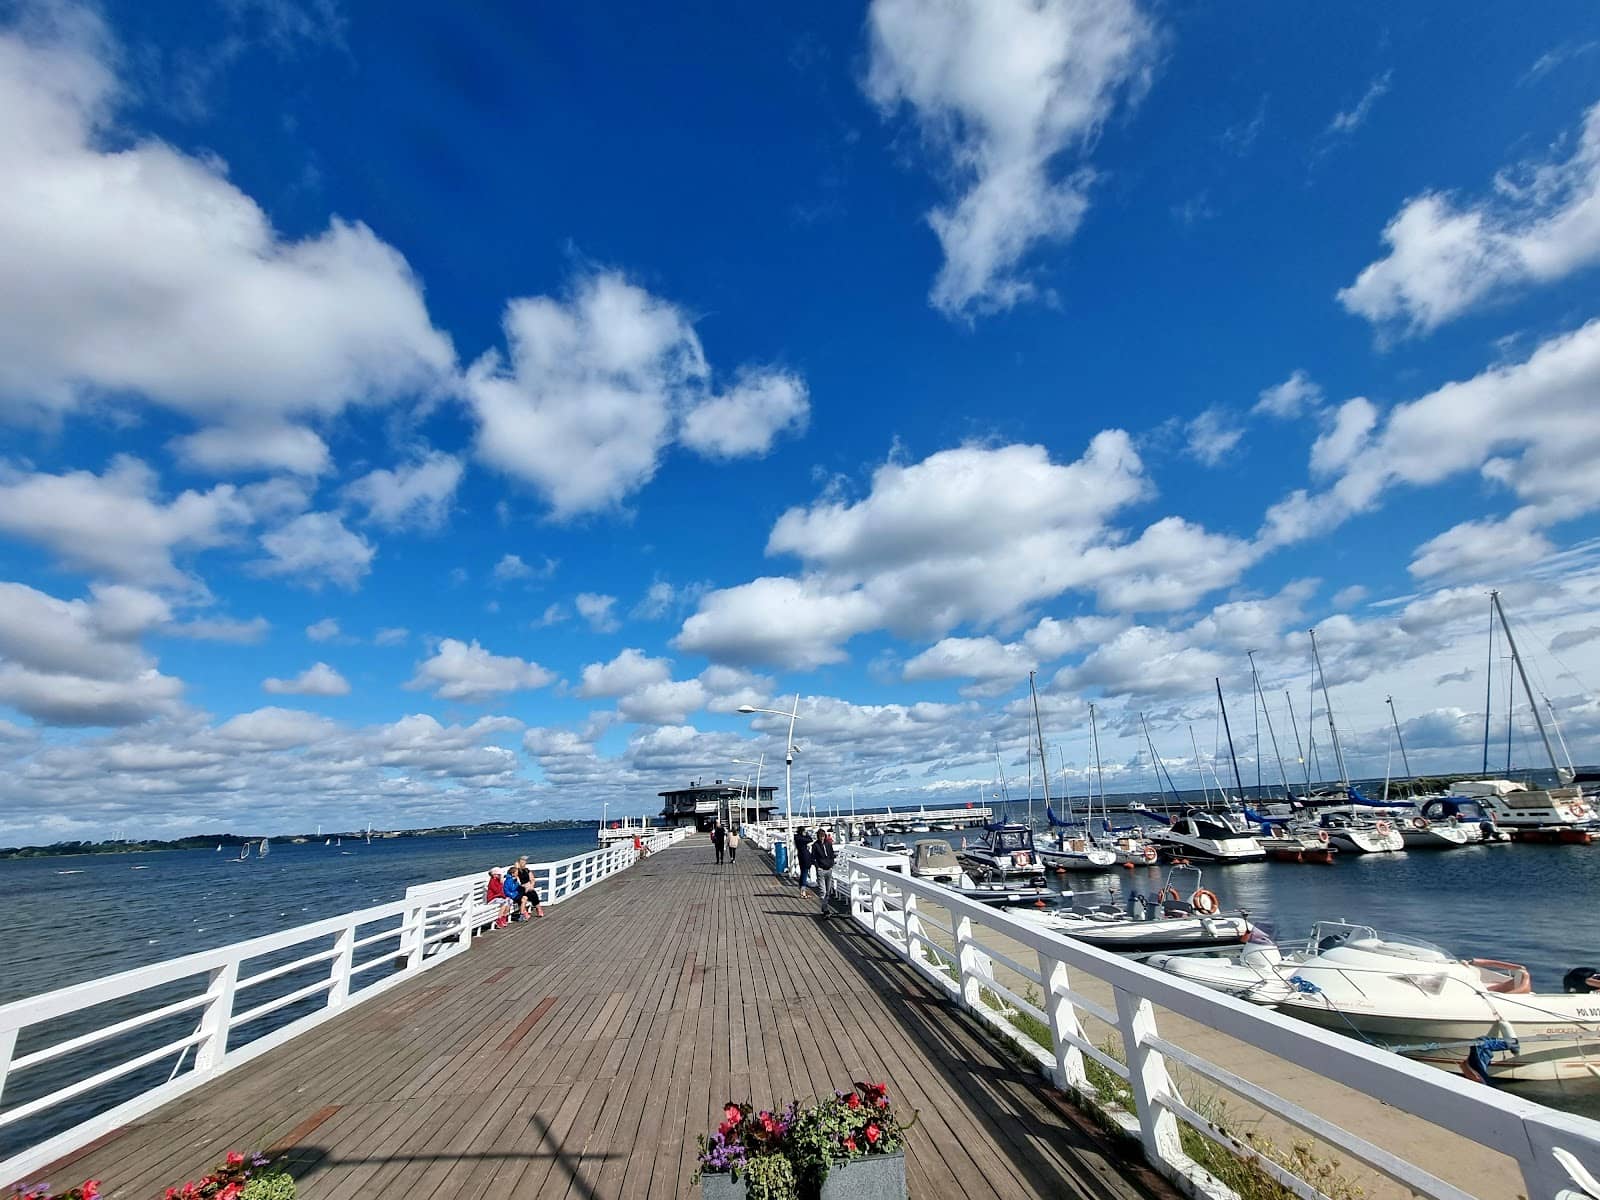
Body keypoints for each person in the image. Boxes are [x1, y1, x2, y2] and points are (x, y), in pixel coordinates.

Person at [812, 827, 837, 915]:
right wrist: (818, 867)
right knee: (823, 891)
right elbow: (813, 857)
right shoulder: (815, 845)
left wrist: (831, 864)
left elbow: (832, 854)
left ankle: (824, 906)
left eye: (823, 836)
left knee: (828, 890)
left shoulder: (828, 844)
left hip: (829, 869)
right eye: (820, 836)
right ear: (818, 837)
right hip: (821, 870)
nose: (822, 838)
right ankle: (826, 910)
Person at [793, 825, 814, 895]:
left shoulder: (796, 837)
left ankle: (801, 885)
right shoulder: (802, 839)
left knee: (803, 871)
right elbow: (810, 839)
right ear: (802, 831)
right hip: (805, 856)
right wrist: (807, 834)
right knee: (805, 872)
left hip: (800, 855)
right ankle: (803, 889)